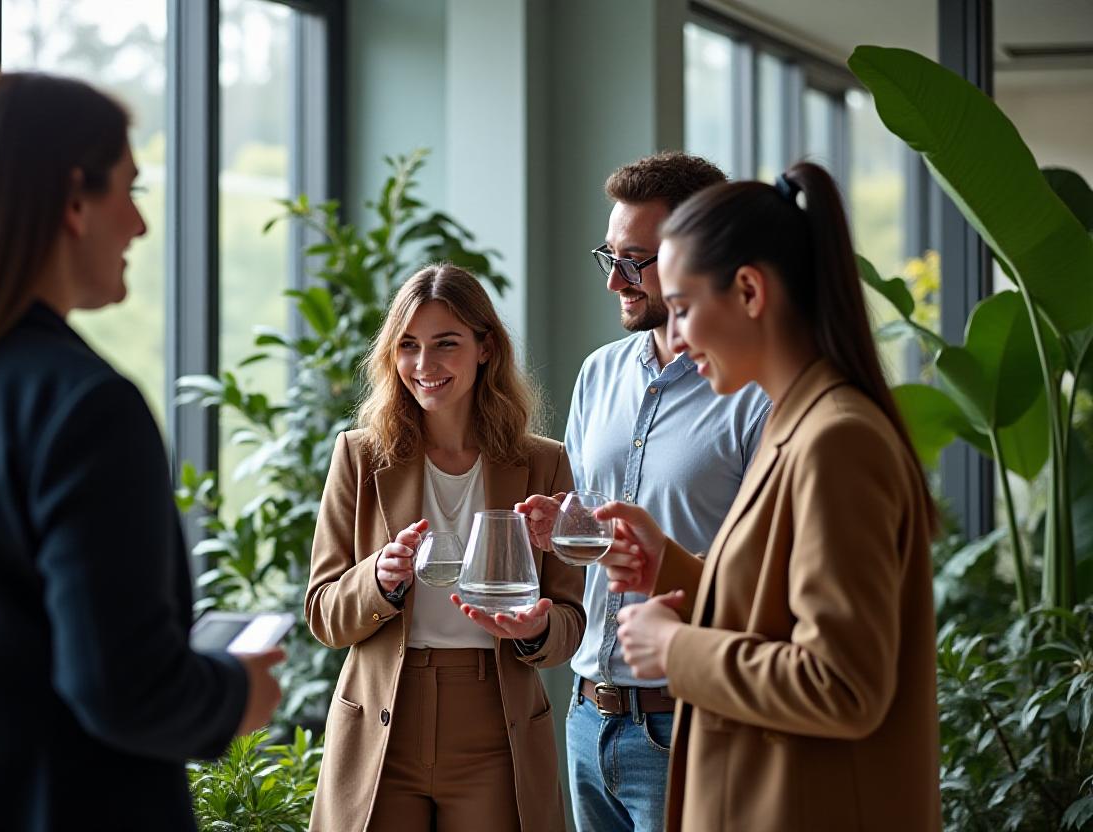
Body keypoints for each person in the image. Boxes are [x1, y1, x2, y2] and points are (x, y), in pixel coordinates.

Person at [0, 71, 282, 831]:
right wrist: (236, 694)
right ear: (72, 200)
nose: (138, 225)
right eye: (129, 191)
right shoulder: (85, 408)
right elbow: (121, 688)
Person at [599, 162, 941, 831]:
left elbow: (842, 685)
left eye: (687, 307)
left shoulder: (836, 441)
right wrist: (665, 565)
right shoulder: (798, 423)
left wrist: (676, 652)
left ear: (750, 291)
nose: (675, 338)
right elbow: (776, 614)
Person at [516, 151, 769, 832]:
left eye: (636, 261)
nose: (615, 282)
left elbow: (770, 582)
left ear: (699, 254)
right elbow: (595, 538)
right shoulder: (598, 375)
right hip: (586, 718)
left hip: (692, 722)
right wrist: (563, 526)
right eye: (609, 257)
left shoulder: (756, 395)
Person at [304, 264, 586, 832]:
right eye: (408, 346)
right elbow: (323, 615)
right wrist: (379, 579)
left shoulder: (543, 462)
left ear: (485, 349)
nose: (424, 366)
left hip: (494, 726)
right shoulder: (360, 457)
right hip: (383, 720)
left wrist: (535, 629)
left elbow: (570, 622)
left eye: (445, 344)